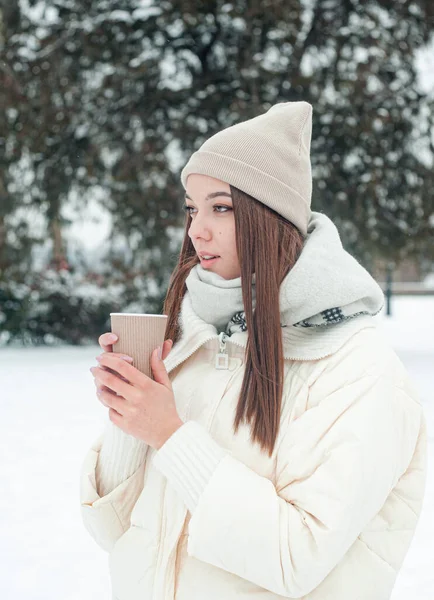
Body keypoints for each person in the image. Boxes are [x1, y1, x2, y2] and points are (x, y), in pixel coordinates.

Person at [80, 101, 428, 600]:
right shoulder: (193, 343)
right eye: (192, 208)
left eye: (220, 207)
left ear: (271, 216)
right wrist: (131, 421)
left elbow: (296, 559)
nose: (196, 229)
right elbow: (112, 533)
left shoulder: (361, 371)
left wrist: (172, 435)